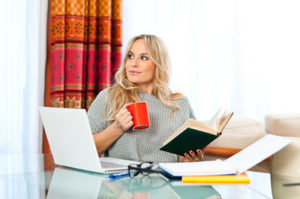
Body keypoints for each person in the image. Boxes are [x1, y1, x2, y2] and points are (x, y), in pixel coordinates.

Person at [88, 34, 205, 163]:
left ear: (158, 64)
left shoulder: (179, 104)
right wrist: (117, 127)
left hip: (168, 179)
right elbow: (87, 147)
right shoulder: (109, 96)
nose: (133, 63)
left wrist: (187, 161)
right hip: (123, 179)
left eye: (143, 58)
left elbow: (189, 152)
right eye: (130, 56)